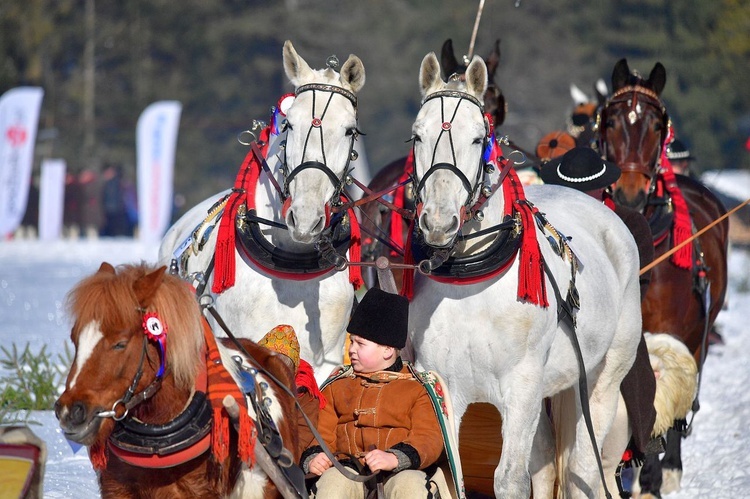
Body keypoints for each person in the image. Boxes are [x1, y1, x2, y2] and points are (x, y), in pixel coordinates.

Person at [541, 147, 658, 461]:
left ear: (602, 189)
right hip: (549, 321)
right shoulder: (546, 220)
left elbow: (639, 289)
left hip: (610, 323)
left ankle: (641, 440)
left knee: (632, 372)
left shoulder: (631, 224)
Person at [301, 288, 445, 498]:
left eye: (360, 343)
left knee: (410, 487)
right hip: (346, 469)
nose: (351, 349)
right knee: (333, 484)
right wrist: (314, 457)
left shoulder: (417, 388)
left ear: (387, 350)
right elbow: (320, 432)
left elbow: (428, 437)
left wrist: (395, 459)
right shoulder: (338, 385)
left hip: (399, 471)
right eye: (351, 341)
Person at [257, 324, 326, 461]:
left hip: (280, 457)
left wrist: (281, 457)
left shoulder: (304, 396)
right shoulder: (248, 382)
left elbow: (300, 439)